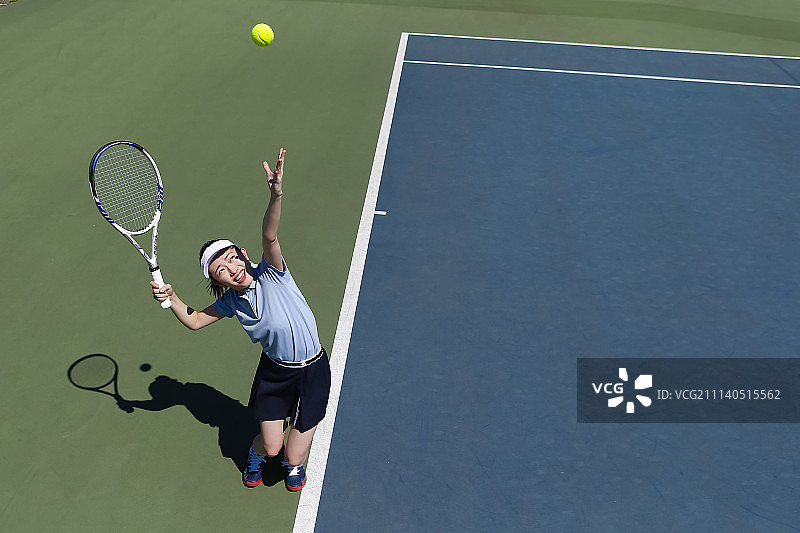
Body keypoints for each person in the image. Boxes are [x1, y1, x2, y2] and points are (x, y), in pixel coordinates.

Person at [150, 148, 331, 492]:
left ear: (244, 255)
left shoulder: (273, 273)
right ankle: (255, 453)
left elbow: (270, 234)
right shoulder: (233, 302)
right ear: (218, 282)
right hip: (276, 374)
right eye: (222, 270)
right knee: (273, 447)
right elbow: (195, 320)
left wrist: (276, 195)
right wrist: (170, 298)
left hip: (314, 369)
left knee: (293, 458)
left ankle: (295, 464)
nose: (232, 268)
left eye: (233, 258)